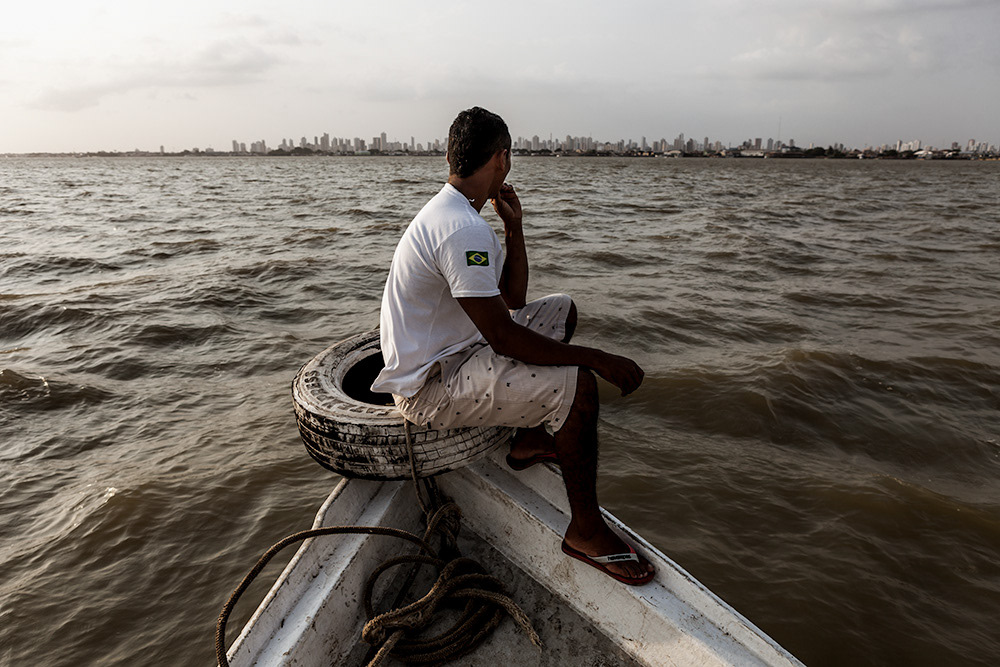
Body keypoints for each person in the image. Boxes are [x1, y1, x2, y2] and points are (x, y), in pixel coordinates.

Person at [371, 106, 653, 585]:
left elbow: (513, 300)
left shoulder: (460, 215)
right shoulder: (460, 227)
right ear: (501, 159)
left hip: (459, 349)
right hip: (430, 388)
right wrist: (596, 359)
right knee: (579, 388)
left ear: (450, 157)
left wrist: (514, 227)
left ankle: (527, 440)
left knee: (561, 310)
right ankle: (585, 532)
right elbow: (504, 335)